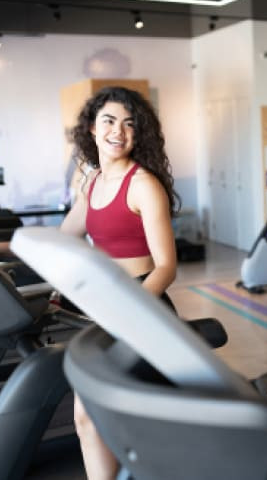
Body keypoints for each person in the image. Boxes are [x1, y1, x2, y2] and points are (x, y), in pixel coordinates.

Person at [60, 86, 180, 479]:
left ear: (138, 133)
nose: (118, 131)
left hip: (142, 302)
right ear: (92, 129)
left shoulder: (143, 184)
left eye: (129, 124)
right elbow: (64, 237)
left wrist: (130, 310)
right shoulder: (92, 181)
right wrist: (6, 246)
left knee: (90, 412)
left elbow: (166, 267)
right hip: (106, 305)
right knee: (87, 417)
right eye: (109, 121)